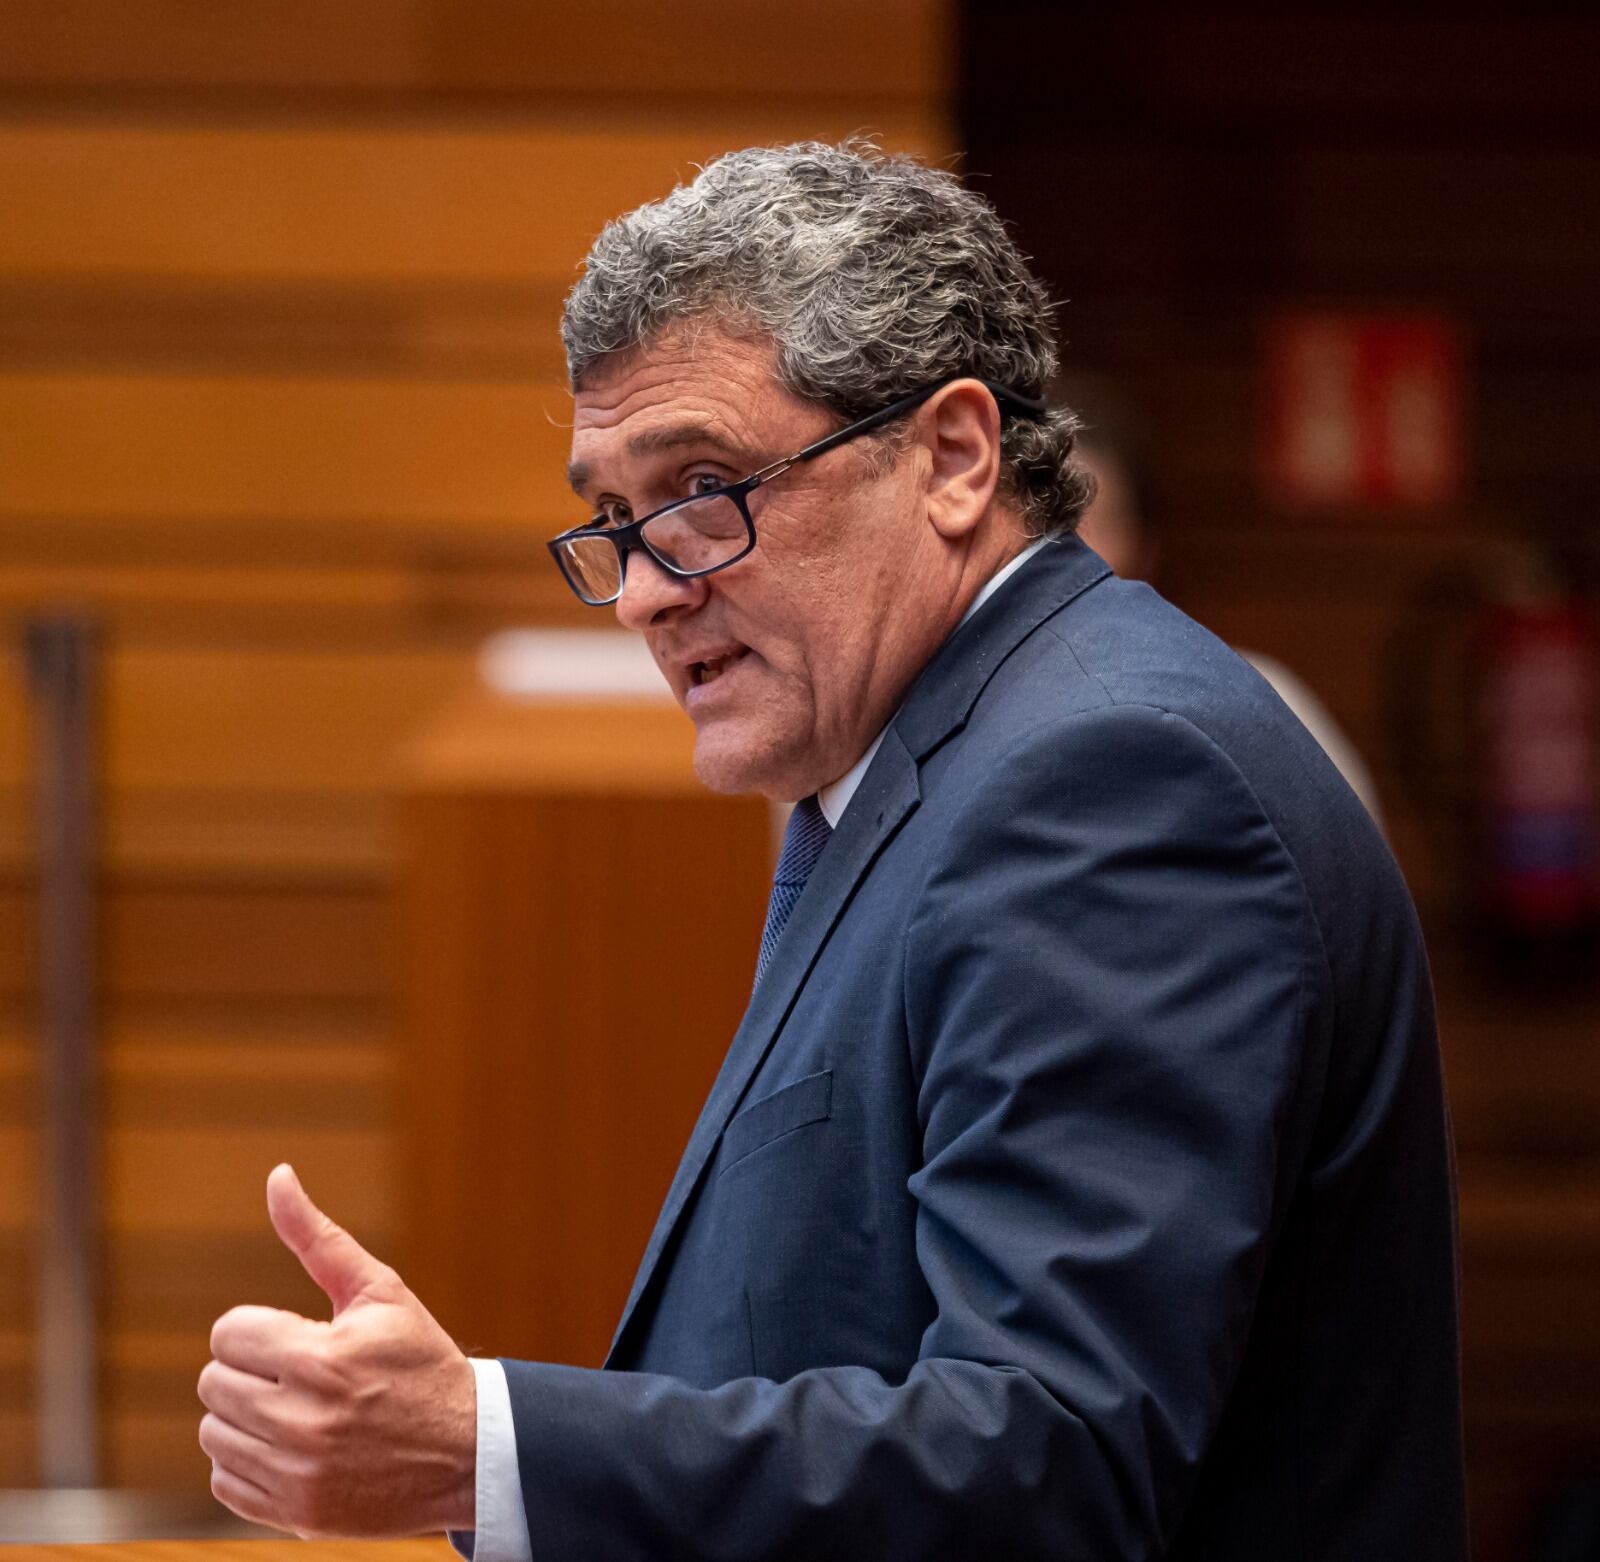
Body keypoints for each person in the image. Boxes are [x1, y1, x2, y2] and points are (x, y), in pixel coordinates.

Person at [199, 142, 1466, 1559]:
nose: (641, 594)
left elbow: (1047, 1469)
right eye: (616, 520)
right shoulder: (938, 756)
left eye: (703, 488)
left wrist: (479, 1449)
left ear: (953, 456)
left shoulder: (1110, 784)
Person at [1071, 414, 1386, 824]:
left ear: (1146, 547)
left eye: (1089, 524)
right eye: (1040, 529)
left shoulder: (1256, 697)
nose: (1064, 552)